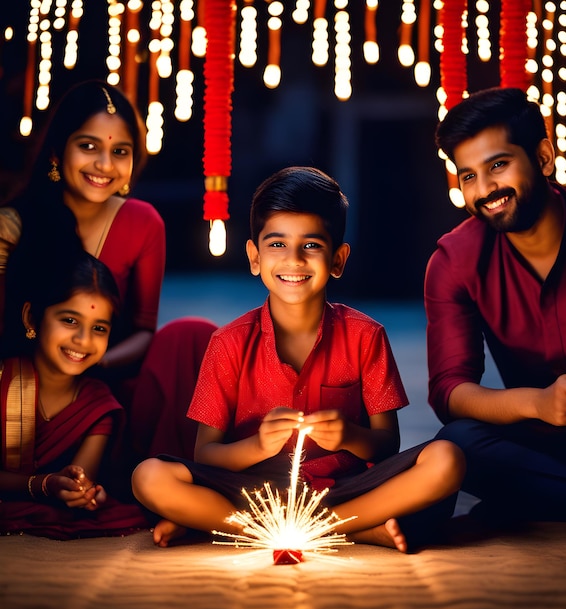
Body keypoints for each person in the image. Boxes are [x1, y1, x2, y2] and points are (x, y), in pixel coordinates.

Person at [132, 166, 465, 552]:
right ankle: (352, 531)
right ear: (254, 257)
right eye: (276, 245)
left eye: (311, 245)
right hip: (252, 494)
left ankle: (240, 526)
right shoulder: (228, 343)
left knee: (447, 459)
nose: (293, 259)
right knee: (149, 477)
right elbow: (205, 454)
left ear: (338, 259)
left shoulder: (366, 336)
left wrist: (349, 436)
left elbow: (386, 445)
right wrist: (258, 446)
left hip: (343, 492)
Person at [425, 87, 566, 524]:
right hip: (540, 442)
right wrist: (539, 404)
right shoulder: (454, 260)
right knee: (457, 443)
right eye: (468, 176)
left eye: (498, 165)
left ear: (544, 156)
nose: (485, 189)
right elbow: (450, 391)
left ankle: (549, 497)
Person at [1, 79, 217, 462]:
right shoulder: (15, 224)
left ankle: (182, 475)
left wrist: (93, 358)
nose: (104, 165)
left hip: (106, 375)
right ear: (56, 150)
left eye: (120, 151)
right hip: (23, 384)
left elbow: (143, 330)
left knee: (191, 336)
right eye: (89, 146)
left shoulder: (143, 223)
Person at [0, 250, 148, 539]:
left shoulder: (98, 405)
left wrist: (84, 494)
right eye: (69, 320)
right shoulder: (3, 379)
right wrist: (42, 484)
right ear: (32, 317)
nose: (83, 340)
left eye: (99, 328)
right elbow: (49, 485)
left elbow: (79, 478)